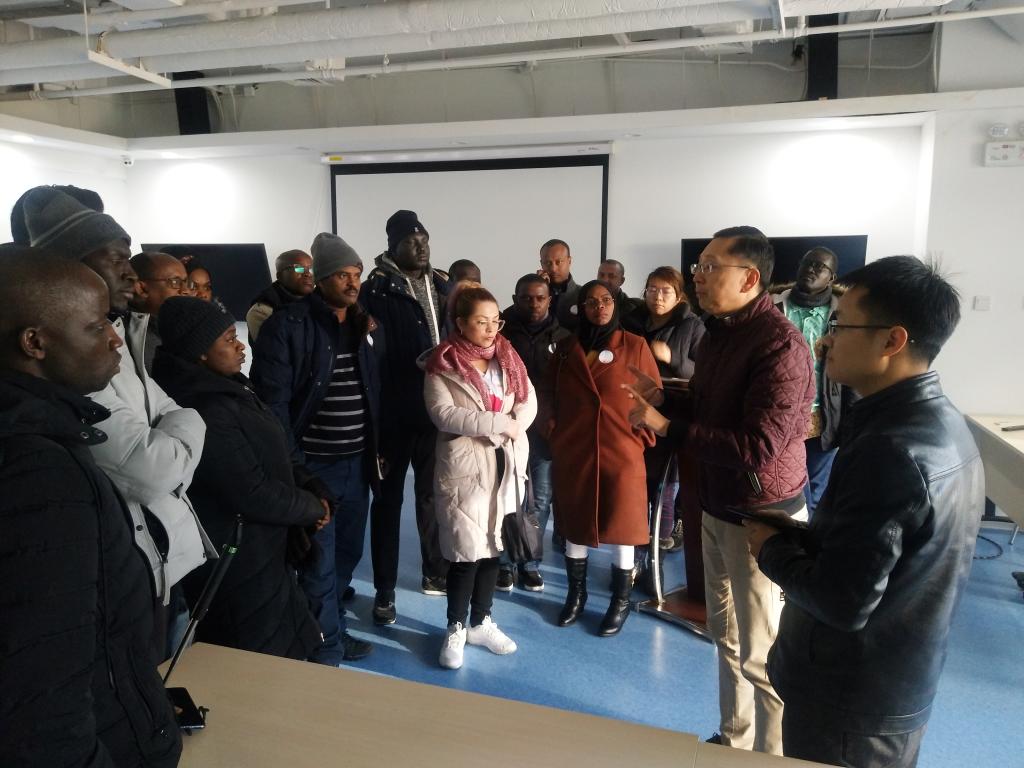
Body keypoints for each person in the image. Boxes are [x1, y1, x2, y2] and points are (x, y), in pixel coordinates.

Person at [747, 256, 983, 768]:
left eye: (840, 326)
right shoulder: (938, 421)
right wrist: (800, 535)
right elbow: (888, 556)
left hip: (848, 701)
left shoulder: (890, 449)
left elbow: (843, 602)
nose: (824, 342)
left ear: (892, 340)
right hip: (891, 683)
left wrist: (770, 549)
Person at [627, 227, 814, 753]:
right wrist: (664, 398)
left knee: (763, 653)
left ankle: (772, 756)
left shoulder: (781, 346)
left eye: (710, 267)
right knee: (724, 636)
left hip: (762, 517)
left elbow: (759, 447)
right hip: (715, 503)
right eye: (699, 266)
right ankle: (736, 738)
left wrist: (666, 426)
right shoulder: (718, 333)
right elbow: (711, 407)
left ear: (750, 278)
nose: (698, 277)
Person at [0, 246, 181, 767]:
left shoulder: (46, 435)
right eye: (97, 325)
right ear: (35, 343)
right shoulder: (40, 475)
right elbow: (44, 700)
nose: (114, 339)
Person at [19, 186, 213, 660]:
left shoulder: (120, 334)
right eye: (117, 258)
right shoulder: (73, 362)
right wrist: (181, 430)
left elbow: (174, 413)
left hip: (163, 552)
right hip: (131, 563)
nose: (132, 273)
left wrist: (176, 426)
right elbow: (152, 471)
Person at [152, 296, 327, 661]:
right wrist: (312, 507)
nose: (241, 347)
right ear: (201, 352)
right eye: (229, 339)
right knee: (253, 662)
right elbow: (250, 491)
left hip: (264, 551)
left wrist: (308, 482)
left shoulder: (228, 387)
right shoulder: (204, 408)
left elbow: (273, 450)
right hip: (239, 562)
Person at [254, 233, 382, 663]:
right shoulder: (287, 327)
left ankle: (333, 627)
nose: (352, 283)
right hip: (314, 467)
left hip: (357, 464)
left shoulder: (364, 324)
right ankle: (324, 651)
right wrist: (296, 470)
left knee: (347, 553)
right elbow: (273, 406)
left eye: (357, 274)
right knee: (318, 562)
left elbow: (373, 391)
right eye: (342, 275)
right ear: (321, 278)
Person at [425, 283, 536, 669]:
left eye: (495, 321)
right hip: (466, 468)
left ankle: (481, 622)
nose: (491, 329)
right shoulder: (443, 364)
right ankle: (455, 627)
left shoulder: (508, 357)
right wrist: (499, 424)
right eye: (481, 322)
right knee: (465, 552)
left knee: (493, 547)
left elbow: (528, 401)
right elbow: (444, 414)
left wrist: (514, 425)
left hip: (506, 464)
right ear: (460, 323)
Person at [544, 280, 662, 636]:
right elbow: (548, 395)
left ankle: (620, 601)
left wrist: (639, 436)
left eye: (606, 300)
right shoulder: (566, 349)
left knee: (623, 525)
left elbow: (654, 395)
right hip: (575, 450)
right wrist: (555, 434)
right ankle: (575, 595)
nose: (600, 307)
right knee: (575, 524)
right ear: (581, 308)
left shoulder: (635, 345)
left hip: (621, 450)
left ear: (616, 303)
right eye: (591, 302)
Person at [361, 210, 450, 624]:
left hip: (436, 413)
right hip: (393, 415)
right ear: (392, 245)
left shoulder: (444, 285)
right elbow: (370, 359)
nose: (421, 247)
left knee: (433, 497)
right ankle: (385, 590)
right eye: (411, 242)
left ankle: (435, 571)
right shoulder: (374, 291)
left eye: (425, 239)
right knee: (388, 502)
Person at [621, 266, 706, 593]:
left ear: (679, 295)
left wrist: (671, 357)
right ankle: (631, 562)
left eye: (666, 291)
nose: (658, 296)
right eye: (652, 289)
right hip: (633, 413)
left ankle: (654, 559)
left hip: (673, 417)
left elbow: (702, 373)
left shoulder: (692, 325)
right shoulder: (631, 321)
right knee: (634, 488)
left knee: (665, 490)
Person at [496, 273, 571, 591]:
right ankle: (504, 563)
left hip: (545, 431)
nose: (534, 303)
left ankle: (529, 562)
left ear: (550, 300)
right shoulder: (499, 334)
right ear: (515, 299)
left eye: (540, 298)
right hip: (508, 428)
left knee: (540, 498)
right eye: (526, 298)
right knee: (506, 495)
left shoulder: (564, 337)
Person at [771, 247, 855, 516]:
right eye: (807, 263)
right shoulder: (772, 308)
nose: (811, 269)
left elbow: (853, 369)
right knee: (788, 486)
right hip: (780, 415)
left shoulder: (844, 316)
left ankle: (812, 536)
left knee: (817, 489)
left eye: (820, 267)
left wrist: (852, 419)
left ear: (832, 277)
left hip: (825, 416)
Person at [129, 250, 192, 374]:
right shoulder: (125, 340)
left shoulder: (175, 328)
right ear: (141, 288)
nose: (186, 290)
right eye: (175, 282)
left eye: (186, 282)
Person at [246, 248, 315, 342]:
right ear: (280, 276)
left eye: (310, 269)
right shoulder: (261, 311)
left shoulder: (319, 300)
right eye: (299, 268)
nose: (308, 274)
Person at [538, 238, 580, 330]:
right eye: (548, 263)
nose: (553, 269)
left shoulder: (584, 294)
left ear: (569, 261)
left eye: (559, 262)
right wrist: (538, 288)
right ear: (541, 264)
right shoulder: (531, 294)